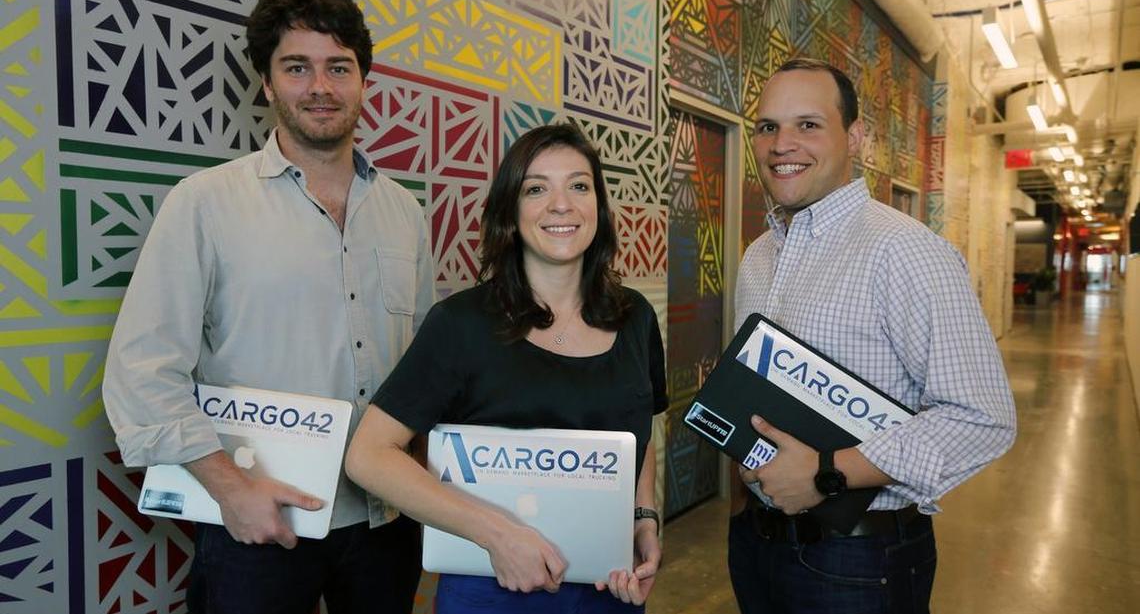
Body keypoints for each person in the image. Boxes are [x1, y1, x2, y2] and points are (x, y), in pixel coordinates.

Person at [102, 0, 433, 614]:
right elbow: (140, 372)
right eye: (296, 67)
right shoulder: (204, 204)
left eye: (339, 67)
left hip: (386, 522)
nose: (320, 86)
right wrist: (230, 488)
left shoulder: (404, 214)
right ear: (267, 84)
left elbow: (422, 369)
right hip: (256, 520)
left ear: (364, 82)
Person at [728, 58, 1017, 614]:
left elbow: (981, 418)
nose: (782, 143)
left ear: (855, 136)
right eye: (768, 127)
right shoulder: (759, 256)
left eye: (808, 124)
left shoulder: (904, 251)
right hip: (756, 542)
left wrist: (829, 472)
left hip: (857, 562)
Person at [345, 123, 667, 613]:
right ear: (510, 214)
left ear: (598, 209)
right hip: (492, 588)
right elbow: (369, 455)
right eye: (536, 189)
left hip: (610, 589)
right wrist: (497, 534)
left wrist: (645, 519)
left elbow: (637, 434)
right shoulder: (462, 324)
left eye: (579, 186)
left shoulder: (636, 318)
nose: (562, 204)